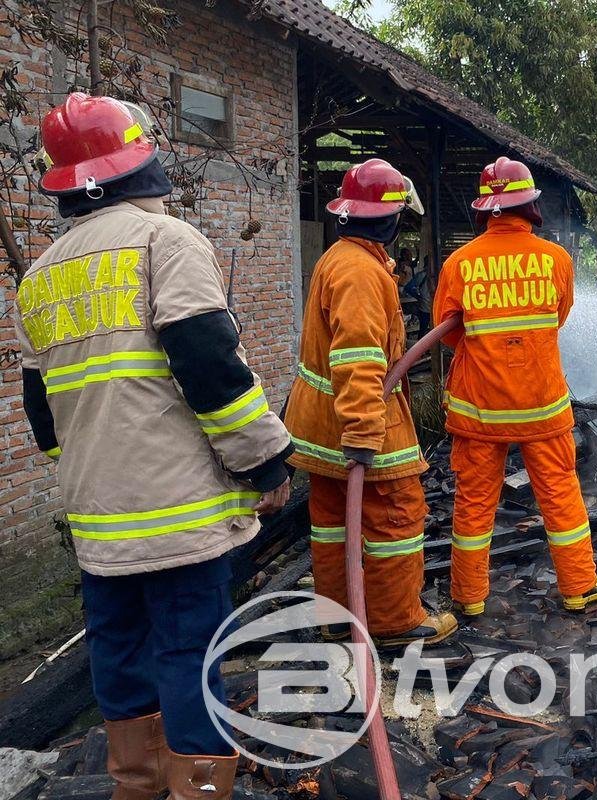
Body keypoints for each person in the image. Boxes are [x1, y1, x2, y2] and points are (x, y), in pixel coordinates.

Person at [14, 93, 293, 799]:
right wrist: (264, 462)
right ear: (145, 161)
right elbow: (210, 370)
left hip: (98, 520)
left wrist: (93, 478)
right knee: (190, 654)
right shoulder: (164, 243)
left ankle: (135, 785)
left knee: (119, 653)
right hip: (179, 514)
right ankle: (199, 790)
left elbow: (43, 421)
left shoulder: (40, 278)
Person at [284, 158, 456, 650]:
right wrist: (363, 432)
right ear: (389, 217)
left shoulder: (344, 259)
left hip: (322, 427)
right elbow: (358, 356)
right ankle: (393, 621)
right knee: (396, 516)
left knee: (334, 524)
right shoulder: (359, 271)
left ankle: (339, 617)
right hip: (356, 424)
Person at [432, 156, 597, 616]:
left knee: (473, 504)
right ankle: (578, 586)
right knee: (560, 495)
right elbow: (557, 320)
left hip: (479, 410)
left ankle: (469, 598)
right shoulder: (556, 260)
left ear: (485, 208)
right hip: (542, 407)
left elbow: (447, 333)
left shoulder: (459, 264)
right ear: (530, 205)